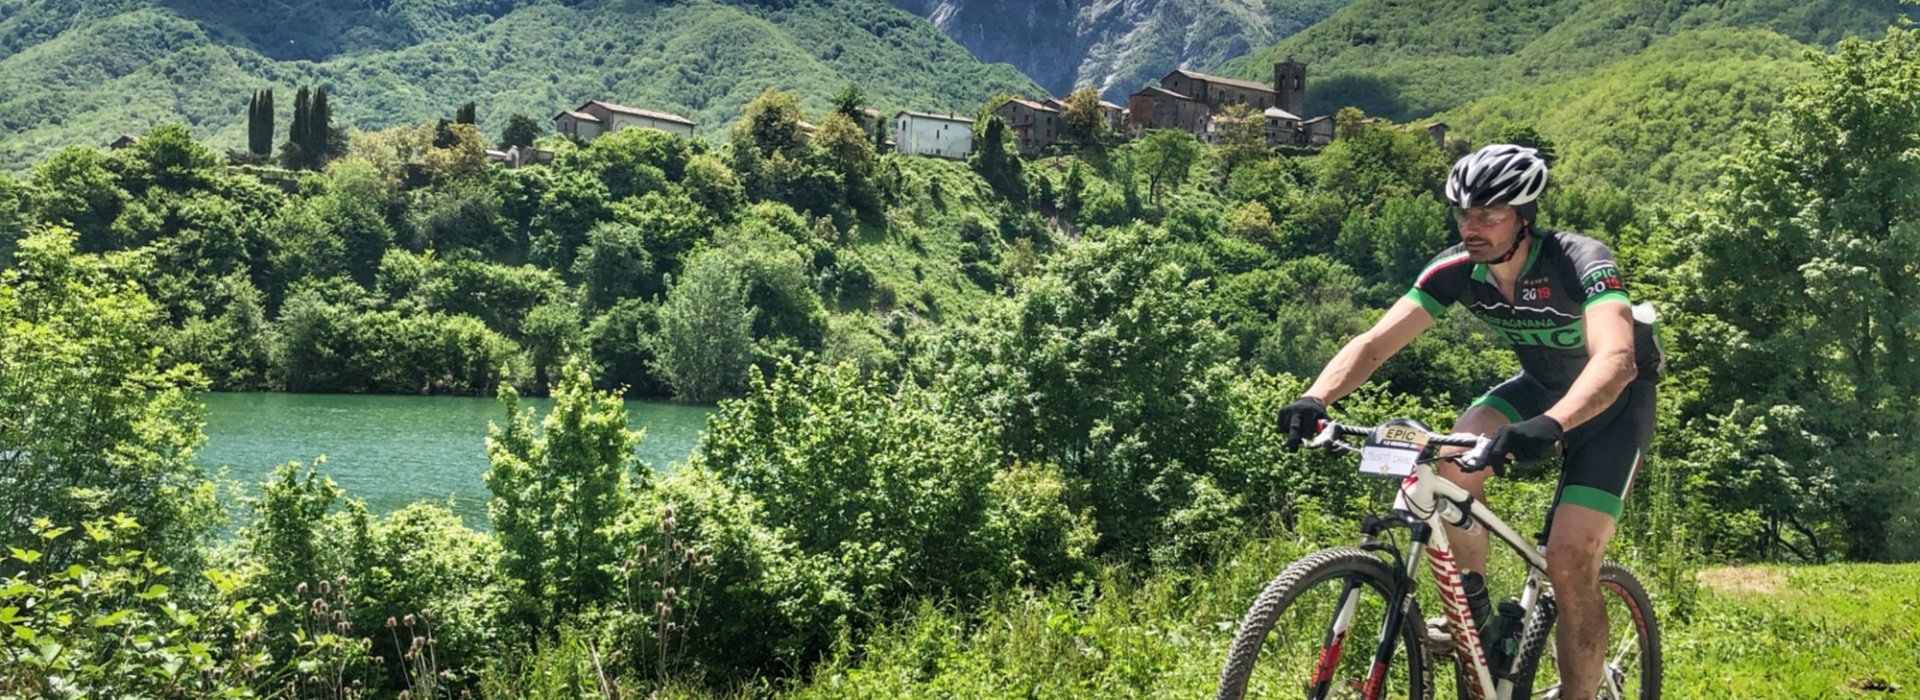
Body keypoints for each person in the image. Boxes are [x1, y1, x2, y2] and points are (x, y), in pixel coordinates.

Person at [1274, 144, 1662, 698]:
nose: (1471, 227)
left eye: (1489, 215)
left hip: (1614, 402)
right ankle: (1475, 618)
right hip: (1539, 387)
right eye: (1463, 214)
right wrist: (1315, 396)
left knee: (1569, 564)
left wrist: (1552, 425)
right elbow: (1376, 343)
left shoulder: (1579, 261)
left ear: (1524, 217)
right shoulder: (1457, 269)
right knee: (1452, 464)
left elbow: (1616, 360)